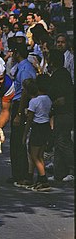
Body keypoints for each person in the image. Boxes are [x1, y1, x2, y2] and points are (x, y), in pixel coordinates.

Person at [9, 43, 36, 186]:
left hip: (21, 104)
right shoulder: (21, 67)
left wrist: (19, 113)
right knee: (16, 141)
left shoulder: (25, 69)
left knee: (19, 141)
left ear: (17, 53)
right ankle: (17, 173)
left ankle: (21, 174)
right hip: (18, 103)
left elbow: (25, 91)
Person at [47, 49, 74, 182]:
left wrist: (52, 106)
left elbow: (62, 98)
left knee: (63, 142)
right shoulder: (60, 74)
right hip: (60, 113)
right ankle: (59, 172)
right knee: (58, 142)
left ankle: (72, 168)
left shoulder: (60, 75)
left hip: (64, 113)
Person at [22, 76, 52, 191]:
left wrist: (24, 134)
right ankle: (40, 178)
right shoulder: (47, 99)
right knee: (40, 155)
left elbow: (29, 119)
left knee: (34, 155)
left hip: (37, 127)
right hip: (46, 127)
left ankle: (43, 179)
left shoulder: (33, 102)